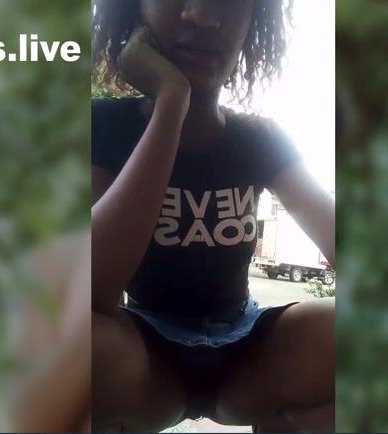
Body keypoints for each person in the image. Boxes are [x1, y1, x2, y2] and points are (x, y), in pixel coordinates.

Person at [90, 0, 335, 432]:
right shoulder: (105, 125)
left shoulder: (259, 139)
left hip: (248, 361)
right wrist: (171, 103)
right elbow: (89, 292)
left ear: (253, 21)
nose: (202, 15)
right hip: (146, 364)